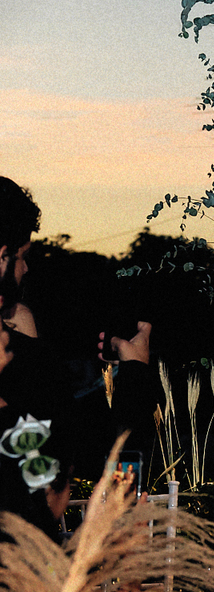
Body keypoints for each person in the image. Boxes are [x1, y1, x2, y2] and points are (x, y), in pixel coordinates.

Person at [0, 176, 159, 537]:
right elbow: (97, 464)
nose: (25, 270)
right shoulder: (22, 379)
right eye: (22, 257)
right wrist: (134, 372)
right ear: (3, 256)